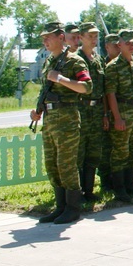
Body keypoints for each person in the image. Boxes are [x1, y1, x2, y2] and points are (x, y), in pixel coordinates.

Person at [30, 21, 92, 224]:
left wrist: (62, 79)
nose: (45, 40)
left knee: (66, 164)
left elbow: (86, 87)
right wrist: (38, 110)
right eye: (43, 38)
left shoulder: (74, 61)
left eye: (49, 37)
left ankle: (73, 208)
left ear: (61, 38)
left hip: (67, 120)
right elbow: (45, 90)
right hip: (50, 119)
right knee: (52, 164)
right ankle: (61, 206)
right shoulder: (49, 61)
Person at [105, 29, 133, 203]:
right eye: (128, 43)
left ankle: (131, 186)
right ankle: (120, 189)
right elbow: (111, 95)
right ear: (119, 44)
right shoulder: (113, 67)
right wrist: (117, 118)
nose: (132, 46)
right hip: (123, 112)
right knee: (120, 152)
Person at [76, 22, 107, 203]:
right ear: (80, 37)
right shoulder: (75, 59)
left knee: (94, 152)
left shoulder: (97, 59)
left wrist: (104, 114)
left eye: (95, 36)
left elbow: (102, 89)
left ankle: (88, 190)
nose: (94, 39)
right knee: (79, 152)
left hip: (96, 110)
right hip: (81, 108)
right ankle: (77, 192)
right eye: (90, 36)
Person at [98, 32, 120, 191]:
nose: (118, 48)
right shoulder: (103, 66)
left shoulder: (122, 65)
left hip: (122, 110)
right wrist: (106, 114)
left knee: (119, 148)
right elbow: (104, 93)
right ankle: (106, 182)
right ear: (107, 47)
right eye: (115, 45)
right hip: (106, 112)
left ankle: (117, 179)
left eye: (120, 45)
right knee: (106, 148)